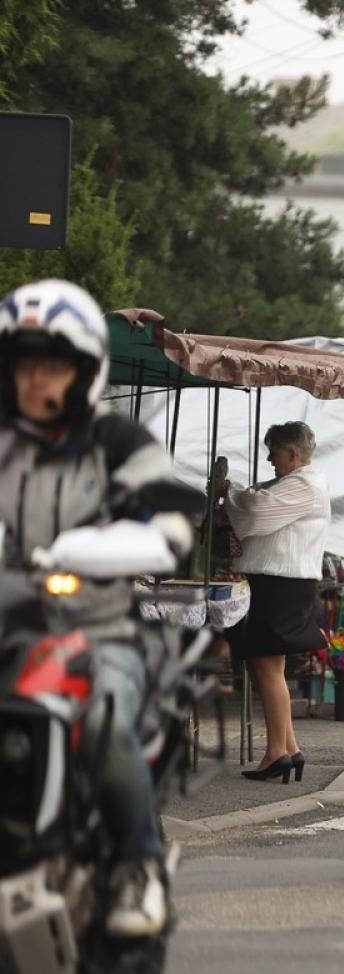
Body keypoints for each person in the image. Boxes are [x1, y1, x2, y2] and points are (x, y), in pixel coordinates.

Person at [0, 279, 193, 937]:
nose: (34, 379)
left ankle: (137, 869)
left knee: (106, 715)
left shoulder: (117, 441)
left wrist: (93, 546)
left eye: (49, 364)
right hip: (9, 628)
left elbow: (170, 527)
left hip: (99, 629)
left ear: (82, 371)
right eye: (23, 364)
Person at [219, 421, 331, 781]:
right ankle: (290, 748)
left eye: (274, 451)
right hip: (278, 581)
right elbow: (258, 498)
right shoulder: (295, 483)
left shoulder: (305, 485)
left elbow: (255, 513)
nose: (269, 458)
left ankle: (276, 753)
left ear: (292, 454)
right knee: (266, 668)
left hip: (283, 583)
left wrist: (230, 490)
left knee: (266, 668)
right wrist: (233, 490)